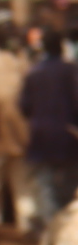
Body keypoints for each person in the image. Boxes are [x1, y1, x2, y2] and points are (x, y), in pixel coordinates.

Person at [23, 30, 78, 230]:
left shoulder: (34, 72)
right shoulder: (71, 70)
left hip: (41, 136)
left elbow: (24, 106)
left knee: (45, 184)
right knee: (70, 183)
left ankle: (52, 228)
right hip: (68, 135)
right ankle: (66, 227)